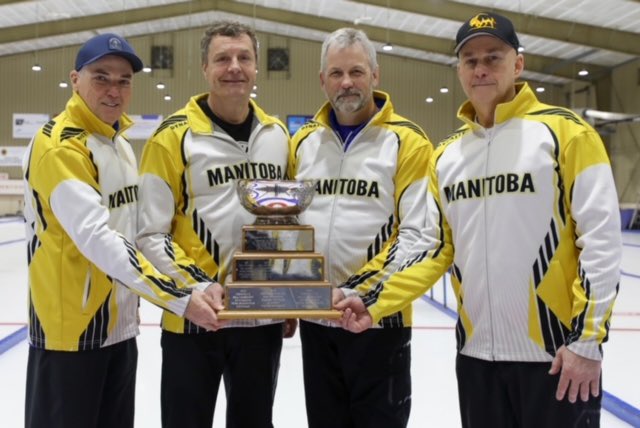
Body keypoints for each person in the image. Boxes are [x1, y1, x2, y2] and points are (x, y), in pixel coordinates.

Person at [336, 11, 622, 428]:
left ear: (517, 64)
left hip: (556, 359)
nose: (481, 69)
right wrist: (375, 300)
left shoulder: (566, 134)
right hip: (475, 359)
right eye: (470, 60)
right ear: (459, 70)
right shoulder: (448, 155)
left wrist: (587, 340)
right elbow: (432, 248)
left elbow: (601, 241)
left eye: (493, 57)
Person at [22, 33, 225, 428]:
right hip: (71, 337)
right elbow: (100, 240)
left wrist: (195, 285)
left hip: (118, 330)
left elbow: (138, 236)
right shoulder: (61, 147)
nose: (114, 90)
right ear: (75, 80)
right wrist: (180, 300)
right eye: (101, 77)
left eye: (124, 80)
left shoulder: (119, 144)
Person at [136, 21, 292, 428]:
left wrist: (291, 294)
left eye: (244, 58)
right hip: (193, 317)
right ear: (205, 68)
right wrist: (197, 289)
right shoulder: (171, 138)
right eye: (223, 58)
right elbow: (150, 234)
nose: (234, 67)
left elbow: (287, 221)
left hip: (260, 318)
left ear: (257, 68)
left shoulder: (277, 136)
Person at [290, 28, 433, 428]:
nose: (346, 82)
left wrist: (360, 294)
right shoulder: (303, 143)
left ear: (375, 74)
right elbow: (290, 228)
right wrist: (286, 295)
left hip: (378, 320)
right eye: (336, 73)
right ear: (322, 81)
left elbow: (418, 235)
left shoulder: (408, 142)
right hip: (317, 320)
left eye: (356, 71)